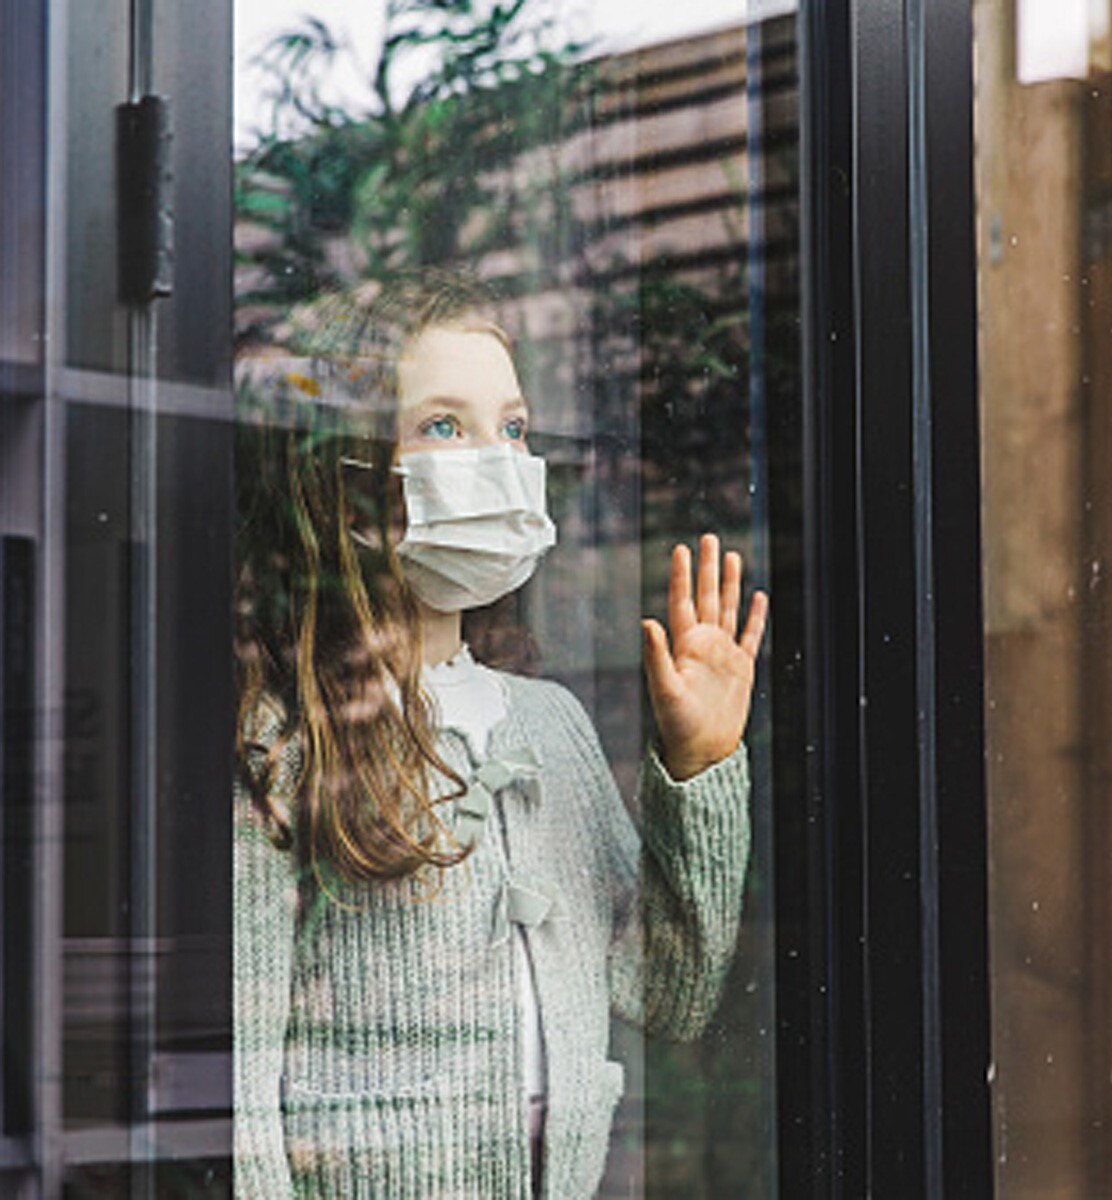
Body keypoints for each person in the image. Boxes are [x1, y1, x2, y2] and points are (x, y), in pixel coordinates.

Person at [233, 277, 768, 1199]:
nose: (498, 457)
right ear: (349, 484)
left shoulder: (549, 724)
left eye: (514, 428)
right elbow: (238, 1092)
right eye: (443, 425)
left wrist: (700, 765)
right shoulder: (285, 736)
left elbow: (668, 990)